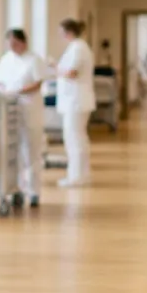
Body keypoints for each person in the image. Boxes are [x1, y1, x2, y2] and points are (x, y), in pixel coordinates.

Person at [0, 27, 48, 206]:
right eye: (10, 44)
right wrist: (5, 92)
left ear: (23, 42)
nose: (12, 47)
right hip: (10, 110)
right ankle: (15, 188)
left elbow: (37, 84)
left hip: (30, 108)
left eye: (15, 43)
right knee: (12, 151)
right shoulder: (6, 59)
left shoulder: (34, 59)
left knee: (31, 151)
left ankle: (33, 192)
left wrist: (17, 91)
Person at [54, 19, 96, 186]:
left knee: (74, 139)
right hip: (75, 100)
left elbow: (71, 72)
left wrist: (55, 68)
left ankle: (76, 177)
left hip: (76, 101)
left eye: (61, 31)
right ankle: (81, 175)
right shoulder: (78, 47)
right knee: (77, 138)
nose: (60, 35)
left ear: (68, 32)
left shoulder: (78, 48)